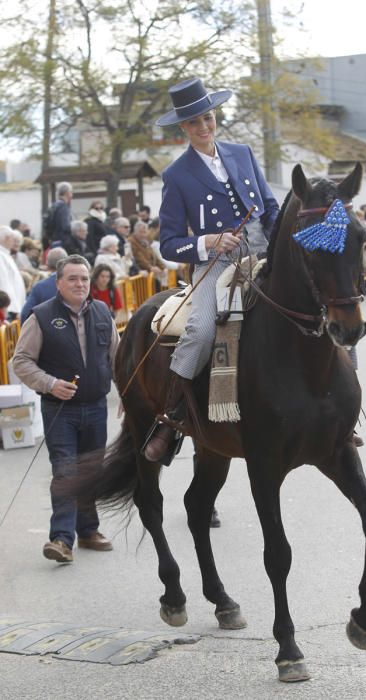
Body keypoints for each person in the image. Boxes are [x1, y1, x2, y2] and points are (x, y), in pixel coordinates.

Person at [142, 76, 279, 464]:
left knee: (313, 302)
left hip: (262, 251)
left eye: (208, 117)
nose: (204, 127)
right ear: (183, 128)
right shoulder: (177, 175)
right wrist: (209, 241)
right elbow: (168, 243)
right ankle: (171, 419)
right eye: (195, 123)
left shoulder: (243, 152)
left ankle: (335, 413)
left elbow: (270, 209)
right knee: (201, 331)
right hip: (216, 264)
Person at [13, 254, 119, 564]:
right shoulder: (41, 316)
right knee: (65, 470)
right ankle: (61, 539)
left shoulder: (102, 312)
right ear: (58, 283)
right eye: (72, 278)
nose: (80, 284)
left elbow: (118, 356)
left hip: (96, 407)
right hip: (60, 410)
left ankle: (88, 531)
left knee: (91, 470)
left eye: (84, 278)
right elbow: (20, 361)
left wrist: (126, 394)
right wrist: (49, 383)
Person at [20, 247, 68, 323]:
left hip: (45, 332)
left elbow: (25, 314)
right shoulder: (79, 284)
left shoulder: (40, 287)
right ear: (66, 263)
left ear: (47, 264)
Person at [0, 225, 26, 318]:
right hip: (10, 308)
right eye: (12, 239)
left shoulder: (5, 255)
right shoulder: (1, 256)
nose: (13, 242)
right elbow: (4, 282)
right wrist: (12, 308)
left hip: (13, 307)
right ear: (6, 238)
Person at [43, 181, 73, 248]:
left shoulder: (54, 205)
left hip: (54, 241)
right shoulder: (63, 207)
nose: (71, 195)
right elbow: (65, 226)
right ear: (67, 193)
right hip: (63, 241)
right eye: (71, 192)